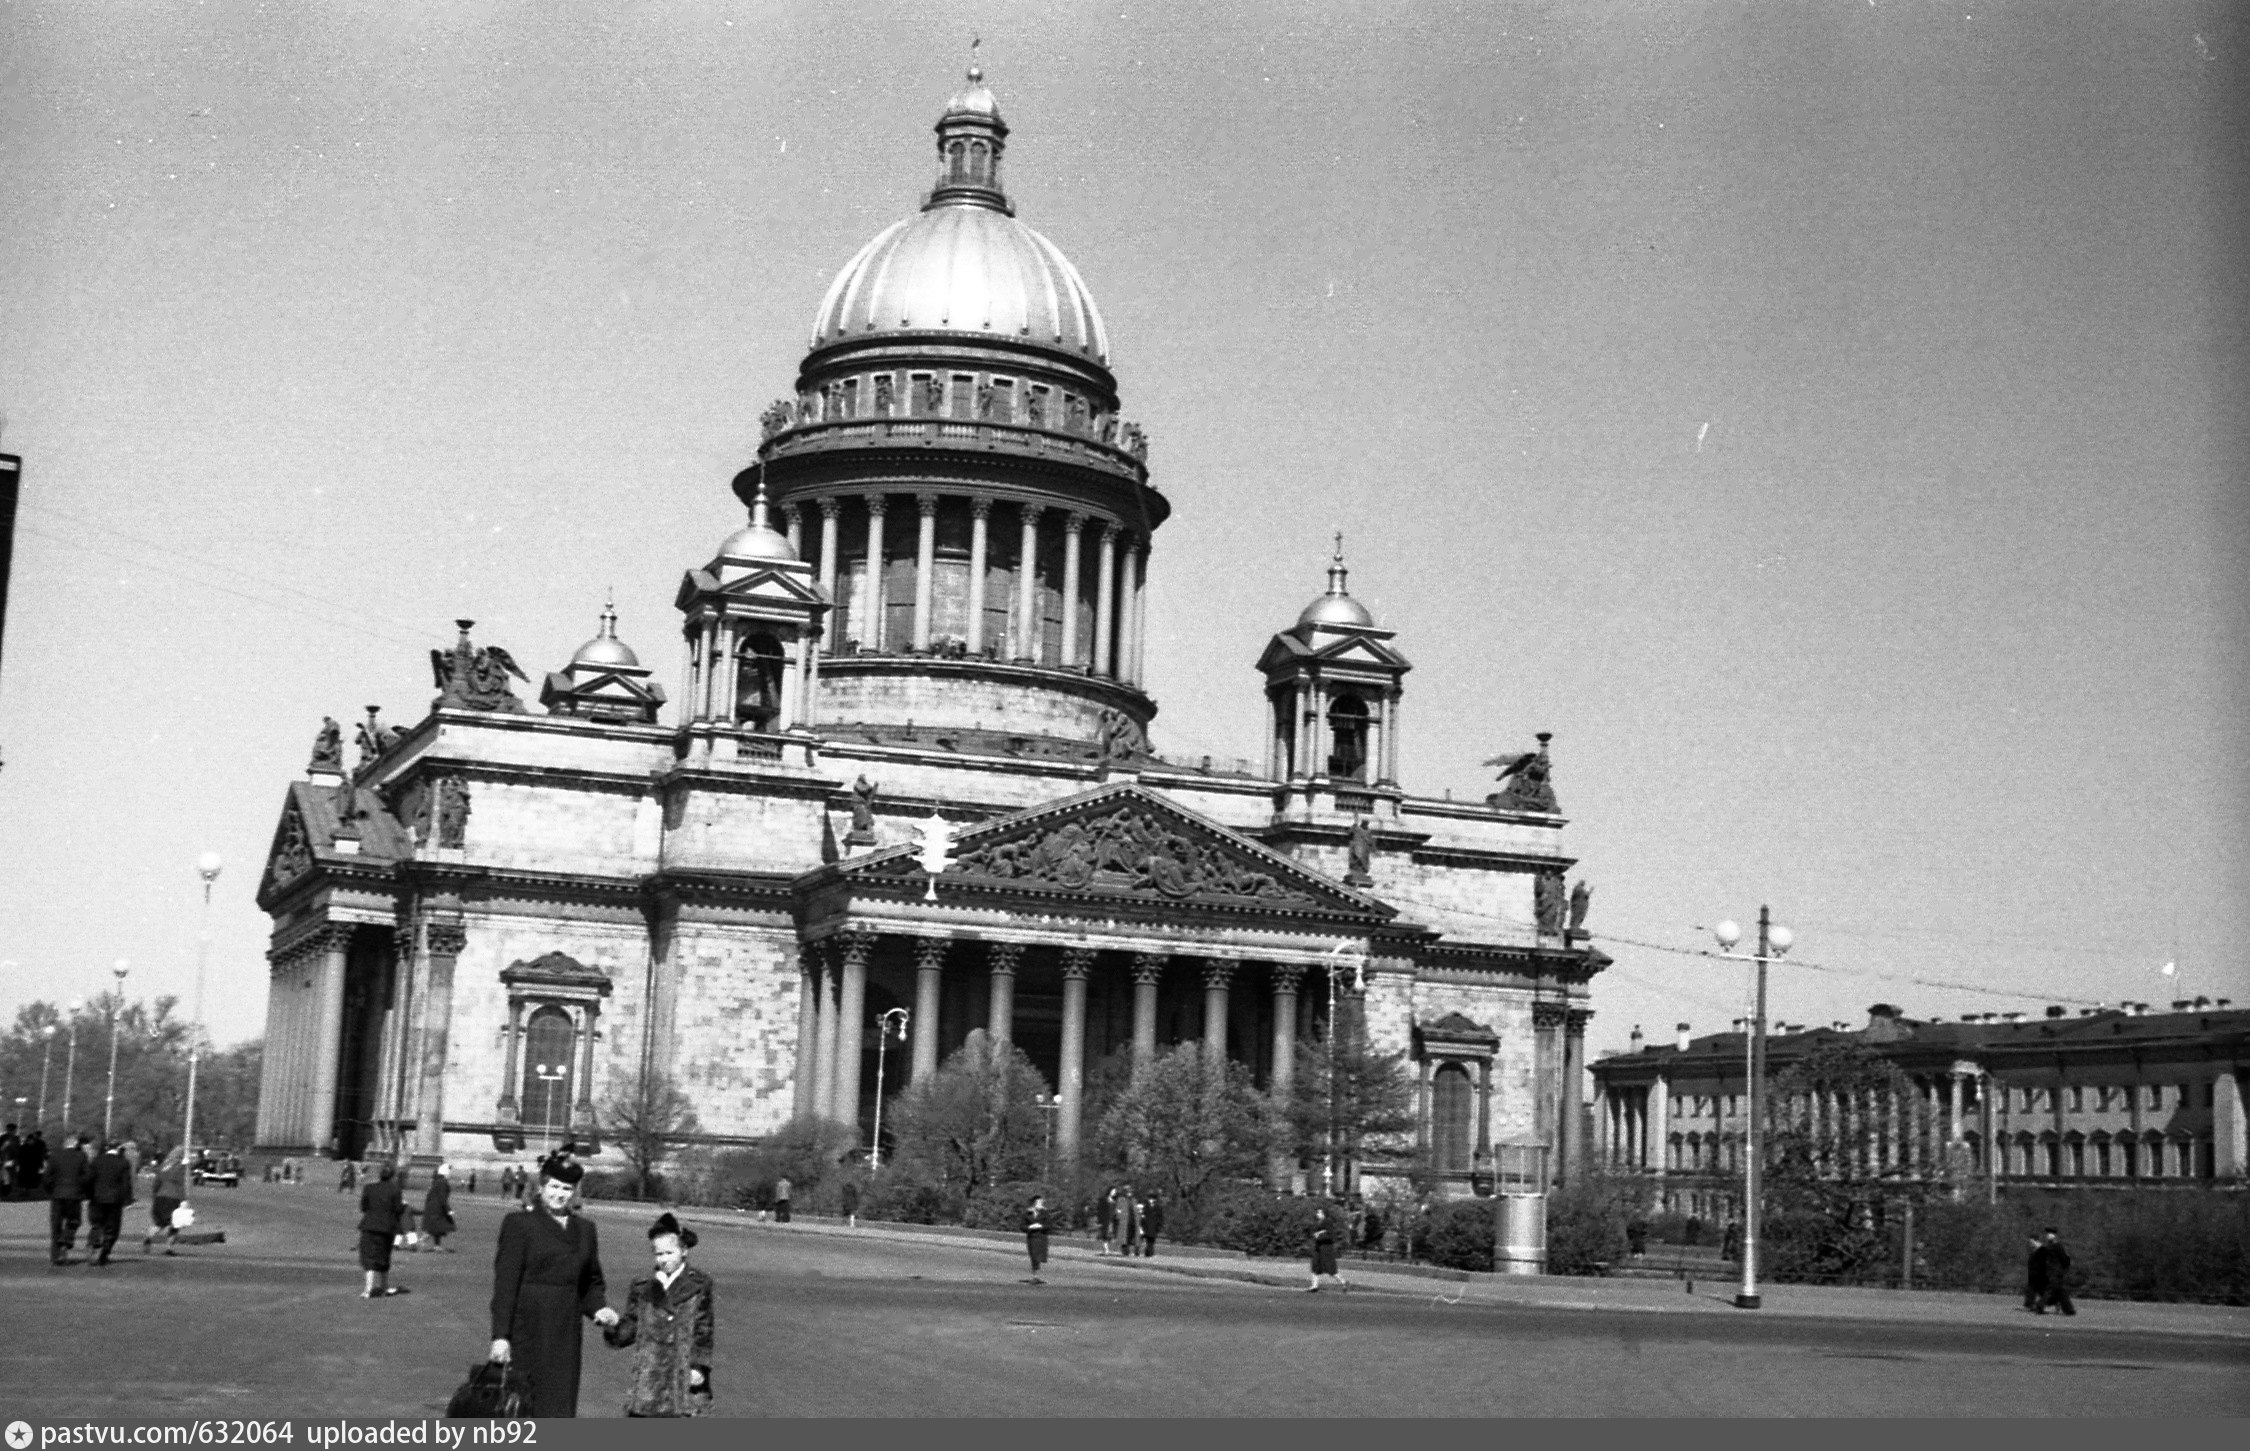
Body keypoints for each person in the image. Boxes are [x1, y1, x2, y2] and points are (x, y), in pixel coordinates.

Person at [491, 1159, 619, 1417]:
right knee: (523, 1404)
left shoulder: (585, 1230)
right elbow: (505, 1285)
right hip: (527, 1330)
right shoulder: (519, 1224)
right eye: (555, 1187)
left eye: (567, 1189)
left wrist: (600, 1308)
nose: (560, 1195)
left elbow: (591, 1281)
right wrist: (501, 1336)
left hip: (565, 1331)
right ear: (542, 1186)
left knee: (560, 1401)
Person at [604, 1212, 714, 1417]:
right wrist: (614, 1326)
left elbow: (704, 1330)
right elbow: (632, 1325)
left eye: (669, 1253)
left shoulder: (699, 1285)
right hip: (649, 1376)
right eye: (659, 1254)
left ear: (683, 1251)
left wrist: (699, 1367)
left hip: (681, 1376)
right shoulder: (642, 1286)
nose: (663, 1259)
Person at [358, 1159, 408, 1297]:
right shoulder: (395, 1190)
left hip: (369, 1225)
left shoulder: (369, 1188)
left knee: (368, 1257)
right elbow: (398, 1209)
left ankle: (368, 1289)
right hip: (387, 1227)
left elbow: (363, 1207)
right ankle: (384, 1286)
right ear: (392, 1175)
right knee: (384, 1256)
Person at [86, 1137, 135, 1266]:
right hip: (114, 1199)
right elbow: (126, 1183)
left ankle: (94, 1242)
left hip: (97, 1198)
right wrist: (128, 1200)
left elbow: (90, 1179)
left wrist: (89, 1195)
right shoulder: (123, 1163)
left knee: (97, 1223)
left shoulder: (97, 1161)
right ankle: (105, 1252)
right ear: (119, 1148)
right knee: (112, 1227)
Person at [47, 1131, 92, 1265]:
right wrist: (80, 1185)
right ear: (76, 1144)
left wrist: (51, 1189)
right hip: (74, 1194)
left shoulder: (55, 1156)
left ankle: (56, 1255)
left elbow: (47, 1176)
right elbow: (88, 1175)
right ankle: (66, 1238)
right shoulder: (81, 1156)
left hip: (57, 1193)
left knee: (56, 1225)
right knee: (74, 1220)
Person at [145, 1146, 188, 1255]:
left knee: (160, 1223)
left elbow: (156, 1183)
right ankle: (168, 1248)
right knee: (175, 1224)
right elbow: (180, 1184)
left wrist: (155, 1195)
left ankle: (149, 1237)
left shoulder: (163, 1166)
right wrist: (184, 1200)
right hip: (173, 1198)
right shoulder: (180, 1167)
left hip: (160, 1197)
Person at [1305, 1201, 1349, 1293]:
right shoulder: (1318, 1222)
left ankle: (1343, 1282)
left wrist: (1320, 1235)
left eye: (1319, 1212)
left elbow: (1331, 1236)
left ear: (1324, 1214)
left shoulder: (1327, 1222)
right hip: (1319, 1248)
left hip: (1326, 1248)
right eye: (1317, 1212)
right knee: (1315, 1266)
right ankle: (1314, 1286)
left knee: (1330, 1269)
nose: (1317, 1214)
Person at [2031, 1228, 2076, 1316]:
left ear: (2054, 1236)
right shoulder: (2051, 1247)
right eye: (2047, 1234)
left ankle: (2069, 1310)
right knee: (2055, 1290)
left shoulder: (2057, 1246)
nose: (2047, 1236)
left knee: (2058, 1291)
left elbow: (2065, 1259)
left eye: (2049, 1234)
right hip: (2053, 1272)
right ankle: (2040, 1306)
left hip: (2055, 1272)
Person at [423, 1162, 458, 1253]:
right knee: (445, 1226)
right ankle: (426, 1239)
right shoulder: (442, 1182)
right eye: (449, 1171)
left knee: (437, 1228)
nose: (450, 1173)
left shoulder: (438, 1181)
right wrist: (448, 1210)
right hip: (437, 1209)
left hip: (434, 1208)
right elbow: (443, 1198)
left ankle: (435, 1244)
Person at [1023, 1194, 1051, 1284]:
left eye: (1041, 1202)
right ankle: (1035, 1275)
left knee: (1038, 1257)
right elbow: (1022, 1226)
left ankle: (1037, 1276)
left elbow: (1049, 1226)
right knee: (1033, 1257)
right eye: (1039, 1202)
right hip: (1032, 1237)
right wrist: (1030, 1227)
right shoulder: (1028, 1213)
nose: (1041, 1204)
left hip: (1041, 1237)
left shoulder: (1045, 1213)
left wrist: (1040, 1226)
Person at [2022, 1234, 2047, 1312]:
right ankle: (2031, 1305)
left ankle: (2035, 1305)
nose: (2030, 1244)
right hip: (2034, 1275)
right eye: (2029, 1242)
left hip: (2040, 1275)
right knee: (2031, 1290)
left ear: (2037, 1241)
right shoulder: (2034, 1251)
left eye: (2031, 1242)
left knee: (2043, 1292)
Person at [1140, 1192, 1164, 1258]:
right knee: (1148, 1241)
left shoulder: (1158, 1207)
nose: (1151, 1200)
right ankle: (1149, 1253)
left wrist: (1159, 1226)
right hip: (1147, 1226)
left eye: (1152, 1199)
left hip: (1154, 1227)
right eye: (1150, 1199)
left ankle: (1149, 1253)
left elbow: (1160, 1217)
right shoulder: (1146, 1206)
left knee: (1152, 1241)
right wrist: (1143, 1225)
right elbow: (1143, 1216)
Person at [1097, 1184, 1119, 1256]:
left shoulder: (1113, 1201)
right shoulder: (1104, 1199)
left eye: (1115, 1191)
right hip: (1105, 1220)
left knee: (1109, 1236)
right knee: (1105, 1235)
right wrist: (1100, 1221)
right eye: (1113, 1191)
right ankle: (1106, 1250)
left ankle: (1106, 1249)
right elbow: (1100, 1210)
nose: (1114, 1192)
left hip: (1111, 1221)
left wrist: (1117, 1212)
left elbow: (1114, 1211)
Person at [1119, 1185, 1140, 1257]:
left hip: (1134, 1222)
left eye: (1130, 1191)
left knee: (1135, 1237)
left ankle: (1136, 1251)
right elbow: (1118, 1210)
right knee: (1125, 1238)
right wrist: (1120, 1217)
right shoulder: (1121, 1200)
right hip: (1125, 1222)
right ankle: (1126, 1252)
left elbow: (1137, 1211)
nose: (1129, 1193)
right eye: (1127, 1191)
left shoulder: (1134, 1200)